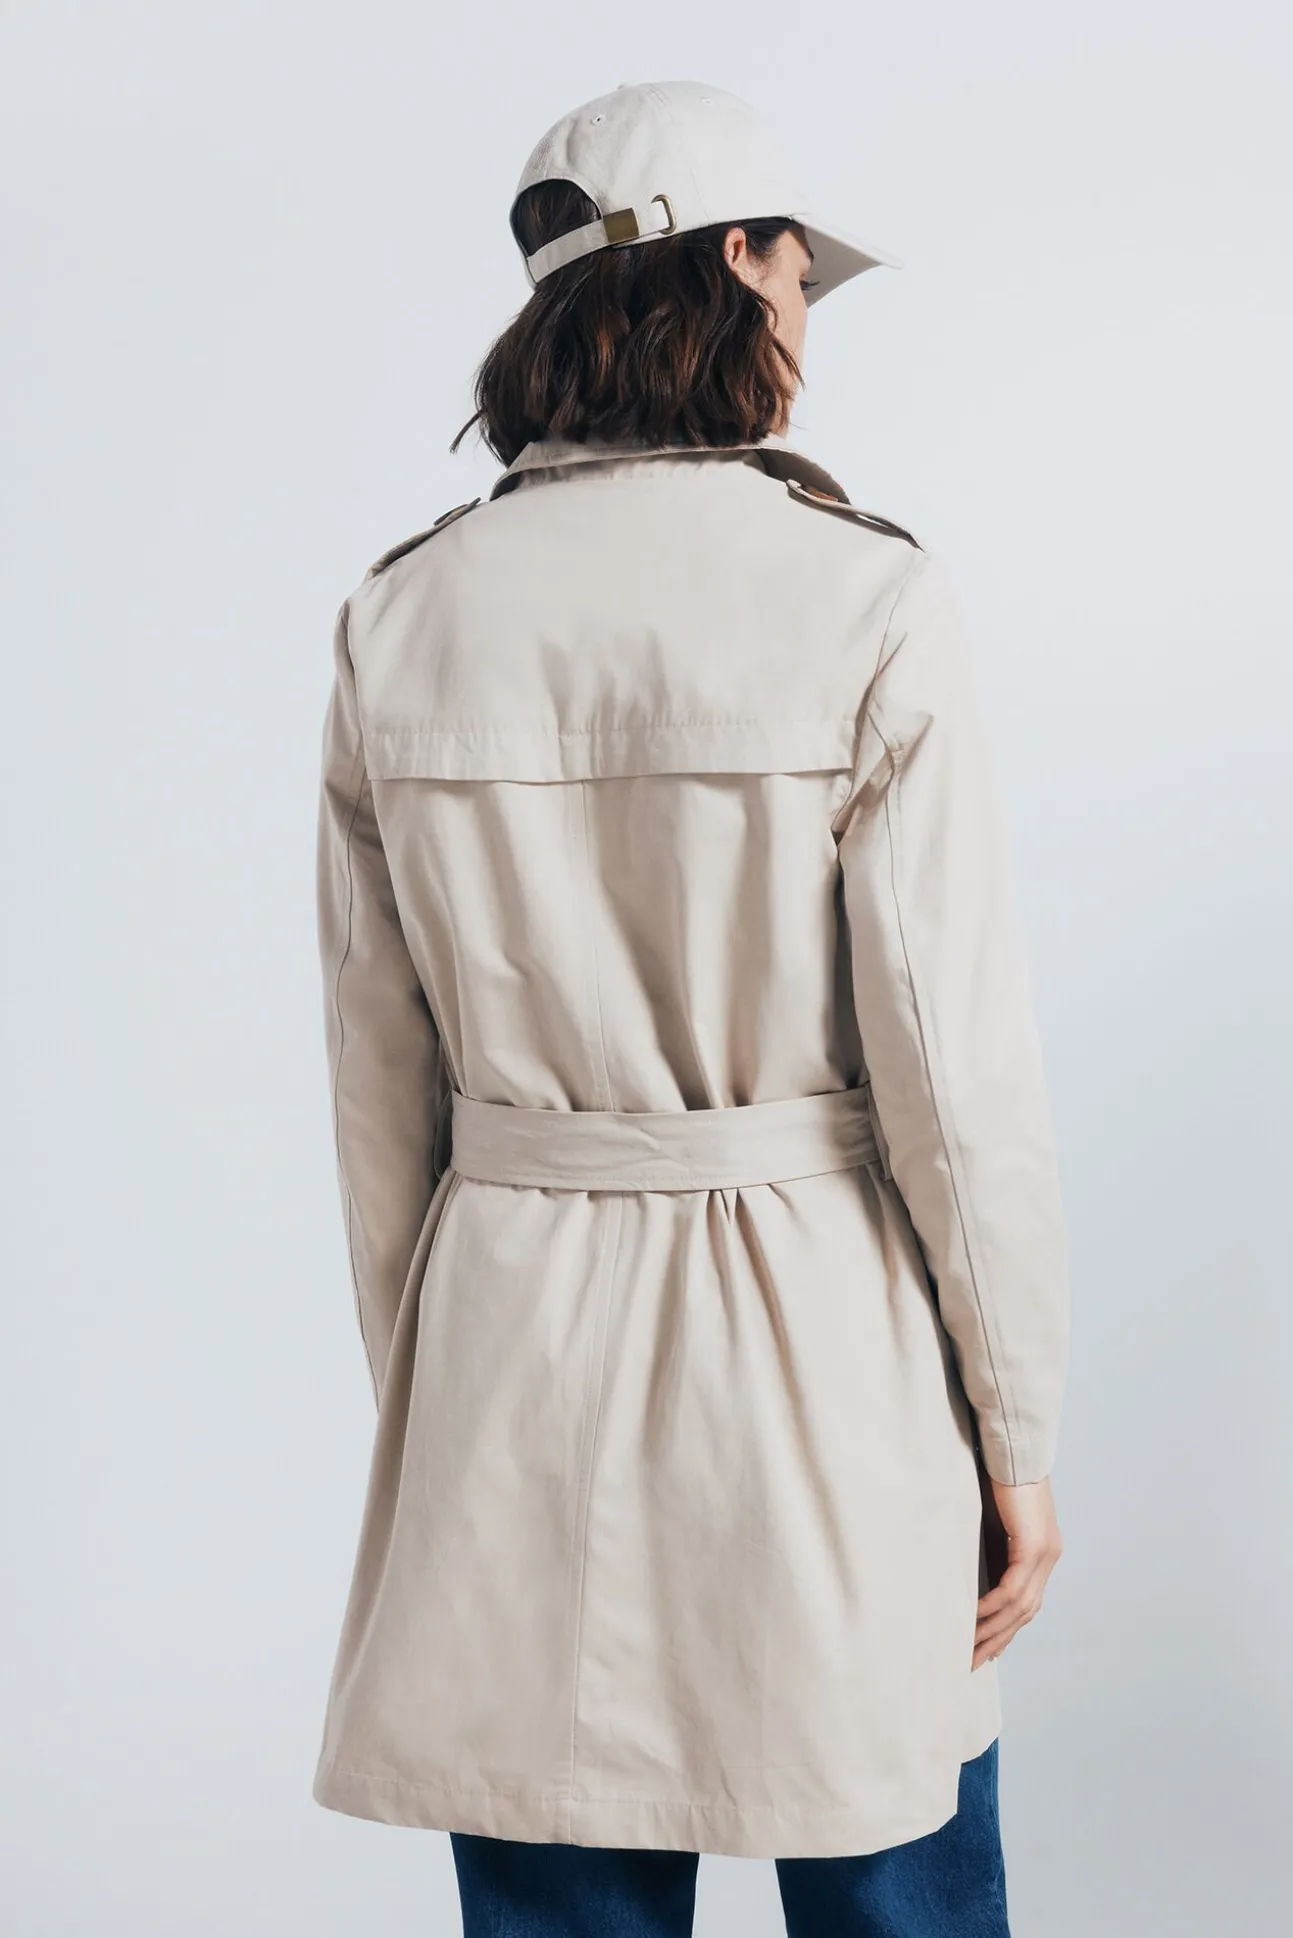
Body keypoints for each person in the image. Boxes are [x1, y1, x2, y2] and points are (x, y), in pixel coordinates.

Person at [310, 78, 1069, 1938]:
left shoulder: (404, 615)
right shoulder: (865, 597)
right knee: (888, 1859)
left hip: (511, 1341)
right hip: (823, 1345)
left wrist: (430, 1386)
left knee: (559, 1880)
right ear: (737, 261)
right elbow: (952, 1072)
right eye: (800, 276)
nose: (807, 322)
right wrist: (1017, 1430)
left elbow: (377, 1078)